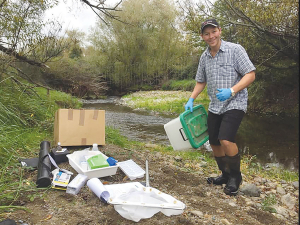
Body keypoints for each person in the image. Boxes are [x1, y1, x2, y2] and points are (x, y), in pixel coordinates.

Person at [185, 19, 256, 196]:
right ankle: (224, 174)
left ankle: (235, 177)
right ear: (202, 36)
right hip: (215, 106)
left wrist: (232, 90)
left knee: (226, 139)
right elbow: (201, 81)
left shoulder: (235, 50)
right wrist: (191, 99)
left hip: (235, 102)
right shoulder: (204, 56)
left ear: (220, 31)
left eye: (213, 32)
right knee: (214, 142)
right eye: (207, 34)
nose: (211, 36)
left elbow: (251, 74)